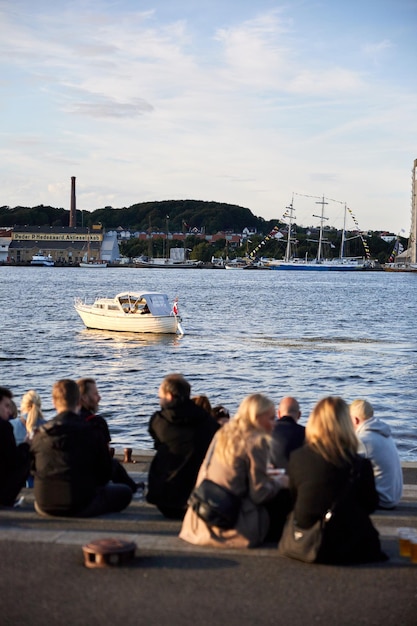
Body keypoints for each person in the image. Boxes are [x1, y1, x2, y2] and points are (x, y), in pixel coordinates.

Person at [284, 396, 387, 564]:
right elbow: (370, 505)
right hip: (348, 544)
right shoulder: (360, 464)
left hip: (306, 540)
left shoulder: (298, 458)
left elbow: (294, 499)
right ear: (346, 424)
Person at [180, 393, 290, 549]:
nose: (275, 424)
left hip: (198, 521)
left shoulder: (223, 433)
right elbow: (259, 495)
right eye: (271, 418)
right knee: (284, 492)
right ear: (257, 418)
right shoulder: (256, 441)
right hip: (233, 524)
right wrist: (280, 482)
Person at [31, 379, 132, 517]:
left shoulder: (41, 433)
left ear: (54, 402)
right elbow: (104, 474)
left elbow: (33, 468)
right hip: (80, 504)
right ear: (79, 401)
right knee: (124, 492)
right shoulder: (91, 430)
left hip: (45, 504)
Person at [147, 373, 219, 519]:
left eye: (160, 397)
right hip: (200, 500)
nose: (159, 401)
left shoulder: (158, 421)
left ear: (170, 396)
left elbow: (157, 442)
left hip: (164, 501)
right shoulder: (207, 421)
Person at [77, 377, 140, 494]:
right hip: (91, 482)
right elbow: (104, 457)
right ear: (84, 398)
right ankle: (133, 488)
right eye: (95, 394)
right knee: (114, 465)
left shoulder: (61, 422)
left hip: (69, 479)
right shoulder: (97, 422)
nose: (99, 397)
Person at [350, 399, 403, 509]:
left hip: (381, 499)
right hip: (393, 496)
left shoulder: (363, 440)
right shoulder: (383, 433)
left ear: (355, 420)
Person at [0, 387, 30, 506]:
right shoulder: (4, 427)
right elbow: (14, 461)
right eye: (6, 406)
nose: (10, 411)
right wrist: (26, 445)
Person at [270, 396, 305, 470]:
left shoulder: (266, 431)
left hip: (272, 477)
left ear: (278, 414)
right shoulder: (307, 433)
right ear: (299, 415)